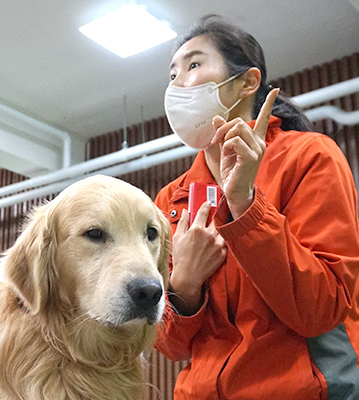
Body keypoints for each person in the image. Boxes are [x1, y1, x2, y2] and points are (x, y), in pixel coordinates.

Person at [154, 14, 359, 400]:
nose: (177, 84)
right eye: (171, 74)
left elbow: (320, 310)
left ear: (248, 82)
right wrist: (184, 283)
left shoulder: (310, 156)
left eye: (194, 64)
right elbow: (171, 346)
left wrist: (246, 206)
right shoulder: (172, 199)